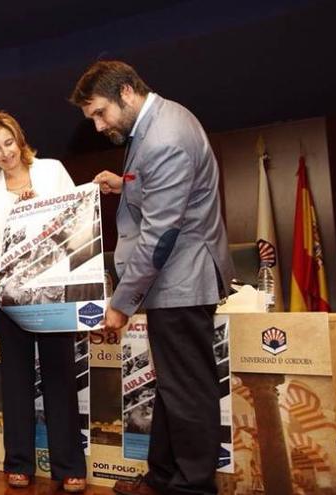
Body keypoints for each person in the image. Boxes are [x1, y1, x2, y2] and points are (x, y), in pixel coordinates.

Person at [70, 60, 233, 495]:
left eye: (100, 113)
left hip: (182, 278)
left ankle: (193, 487)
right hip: (174, 280)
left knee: (189, 390)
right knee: (175, 386)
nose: (100, 125)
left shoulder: (164, 137)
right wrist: (126, 184)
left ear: (126, 91)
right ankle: (163, 477)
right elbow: (169, 192)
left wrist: (121, 303)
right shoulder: (158, 123)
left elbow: (160, 235)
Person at [0, 110, 87, 493]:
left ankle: (69, 466)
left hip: (55, 292)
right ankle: (17, 463)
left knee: (59, 378)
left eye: (8, 143)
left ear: (19, 139)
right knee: (15, 381)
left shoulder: (52, 170)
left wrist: (39, 212)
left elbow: (78, 218)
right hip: (11, 298)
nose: (5, 154)